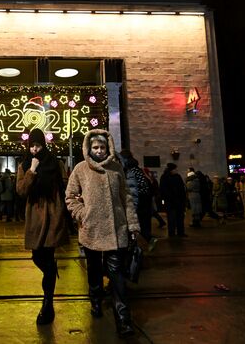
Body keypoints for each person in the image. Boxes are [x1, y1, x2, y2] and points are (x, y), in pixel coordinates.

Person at [65, 129, 140, 338]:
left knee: (117, 277)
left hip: (117, 230)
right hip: (91, 230)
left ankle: (124, 320)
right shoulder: (80, 169)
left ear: (109, 148)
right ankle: (95, 300)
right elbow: (70, 196)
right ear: (89, 149)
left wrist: (133, 225)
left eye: (102, 147)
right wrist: (82, 214)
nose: (99, 151)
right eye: (95, 148)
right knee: (94, 271)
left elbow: (126, 198)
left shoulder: (117, 169)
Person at [16, 128, 70, 325]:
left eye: (38, 145)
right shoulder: (24, 164)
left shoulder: (55, 163)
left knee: (47, 254)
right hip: (35, 217)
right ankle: (51, 272)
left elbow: (65, 186)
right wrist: (32, 170)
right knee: (38, 257)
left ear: (44, 145)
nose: (35, 150)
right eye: (32, 146)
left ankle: (47, 303)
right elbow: (21, 191)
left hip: (53, 213)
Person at [119, 150, 156, 250]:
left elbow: (133, 191)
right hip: (144, 203)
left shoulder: (130, 171)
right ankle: (145, 243)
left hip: (140, 204)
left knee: (139, 226)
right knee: (144, 225)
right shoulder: (138, 170)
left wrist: (132, 206)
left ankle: (142, 246)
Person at [160, 163, 187, 237]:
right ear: (171, 170)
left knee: (180, 218)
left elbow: (182, 189)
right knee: (171, 218)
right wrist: (168, 198)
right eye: (175, 169)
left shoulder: (178, 176)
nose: (176, 170)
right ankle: (171, 233)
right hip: (170, 202)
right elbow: (163, 190)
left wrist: (183, 199)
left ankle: (180, 232)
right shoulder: (164, 177)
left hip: (179, 201)